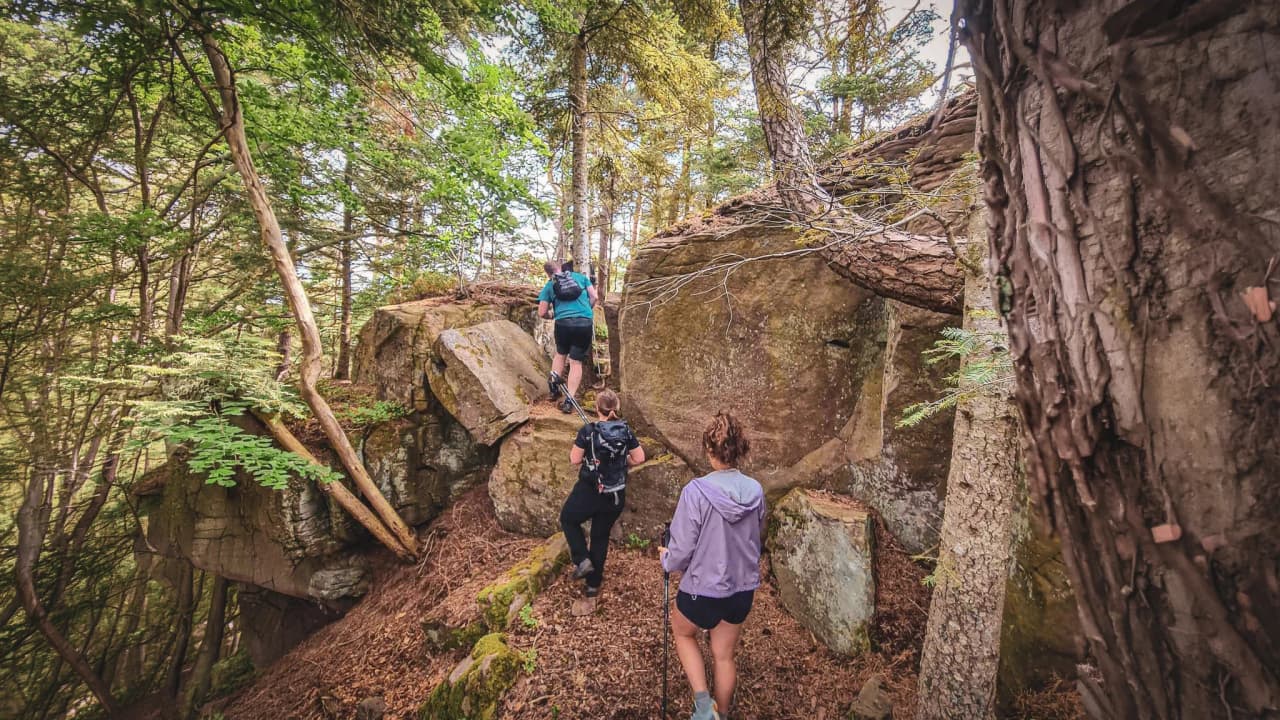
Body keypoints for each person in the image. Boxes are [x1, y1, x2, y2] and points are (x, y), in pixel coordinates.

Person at [660, 412, 764, 720]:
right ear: (741, 449)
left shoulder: (696, 492)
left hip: (702, 590)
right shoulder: (756, 492)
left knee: (682, 632)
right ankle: (724, 712)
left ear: (709, 449)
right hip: (742, 590)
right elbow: (756, 537)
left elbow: (680, 551)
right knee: (723, 655)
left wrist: (666, 558)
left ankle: (704, 707)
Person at [559, 389, 644, 614]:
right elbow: (639, 458)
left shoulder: (588, 431)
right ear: (616, 408)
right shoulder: (626, 431)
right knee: (600, 536)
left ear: (597, 409)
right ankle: (593, 586)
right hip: (615, 495)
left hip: (590, 491)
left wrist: (592, 456)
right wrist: (621, 459)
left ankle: (582, 559)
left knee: (568, 519)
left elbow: (574, 459)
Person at [538, 259, 598, 414]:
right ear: (561, 267)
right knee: (575, 362)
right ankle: (569, 400)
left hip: (563, 324)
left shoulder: (549, 285)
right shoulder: (580, 278)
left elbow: (542, 312)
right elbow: (594, 296)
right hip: (584, 323)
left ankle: (553, 389)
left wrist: (553, 315)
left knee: (560, 355)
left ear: (548, 273)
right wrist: (587, 311)